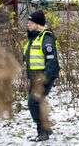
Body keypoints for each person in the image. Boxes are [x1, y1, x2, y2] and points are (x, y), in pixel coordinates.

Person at [23, 10, 59, 142]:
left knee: (33, 103)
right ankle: (46, 128)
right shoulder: (34, 37)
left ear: (38, 24)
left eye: (30, 22)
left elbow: (52, 61)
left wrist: (44, 77)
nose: (28, 24)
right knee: (38, 102)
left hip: (43, 76)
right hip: (35, 77)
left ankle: (43, 132)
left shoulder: (46, 38)